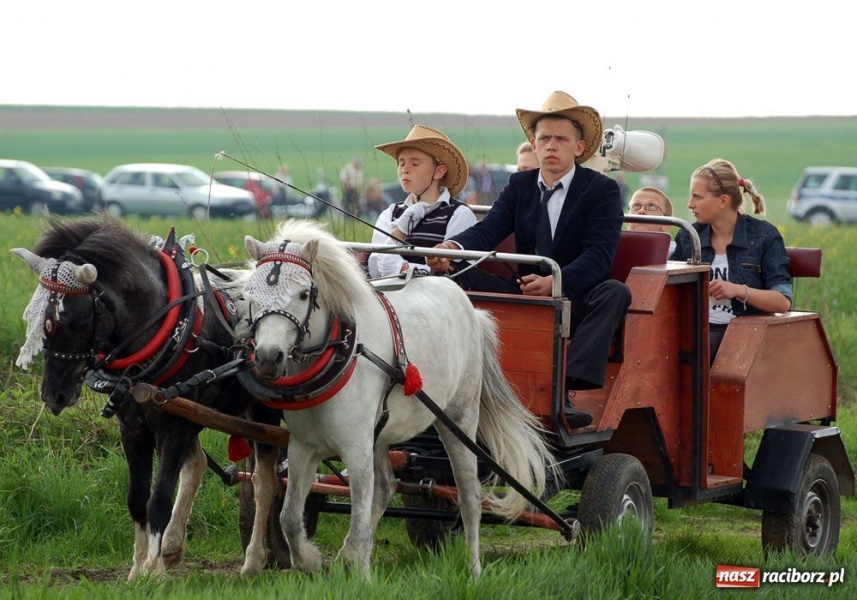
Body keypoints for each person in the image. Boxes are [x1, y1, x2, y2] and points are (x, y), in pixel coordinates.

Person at [428, 91, 632, 428]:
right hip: (521, 293)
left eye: (561, 139)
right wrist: (452, 250)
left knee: (615, 293)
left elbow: (598, 254)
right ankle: (452, 378)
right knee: (456, 276)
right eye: (544, 138)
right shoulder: (520, 184)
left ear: (578, 148)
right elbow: (490, 229)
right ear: (534, 145)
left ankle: (564, 389)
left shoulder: (601, 190)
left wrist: (556, 281)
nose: (552, 146)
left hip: (574, 297)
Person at [672, 159, 792, 361]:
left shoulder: (764, 236)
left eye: (697, 197)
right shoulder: (688, 237)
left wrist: (738, 290)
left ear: (723, 201)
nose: (690, 204)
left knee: (697, 350)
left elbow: (782, 301)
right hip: (697, 330)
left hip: (745, 333)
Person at [367, 125, 475, 278]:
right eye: (401, 163)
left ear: (439, 171)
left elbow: (456, 274)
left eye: (415, 163)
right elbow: (376, 266)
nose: (405, 169)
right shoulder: (390, 213)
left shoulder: (459, 214)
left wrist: (404, 269)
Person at [627, 186, 676, 256]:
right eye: (636, 206)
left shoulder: (676, 253)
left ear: (666, 224)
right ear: (628, 222)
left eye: (652, 206)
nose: (641, 211)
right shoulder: (611, 248)